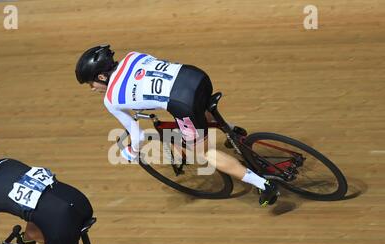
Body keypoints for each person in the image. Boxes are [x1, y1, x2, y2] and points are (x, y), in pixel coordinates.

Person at [75, 45, 279, 206]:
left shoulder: (111, 99)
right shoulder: (132, 56)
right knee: (199, 109)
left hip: (182, 102)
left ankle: (264, 184)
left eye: (90, 84)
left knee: (204, 152)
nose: (93, 89)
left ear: (101, 77)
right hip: (197, 76)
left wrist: (132, 151)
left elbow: (137, 136)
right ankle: (231, 129)